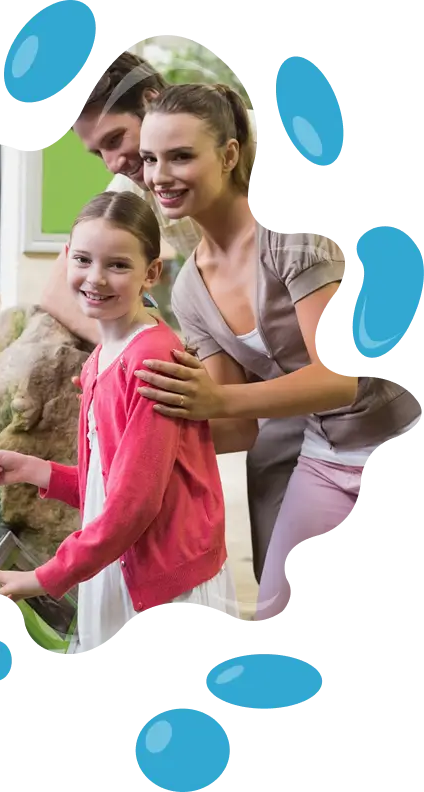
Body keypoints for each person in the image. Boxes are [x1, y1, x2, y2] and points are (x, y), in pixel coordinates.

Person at [134, 82, 423, 620]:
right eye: (150, 159)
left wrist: (214, 402)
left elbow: (341, 378)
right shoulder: (190, 289)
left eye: (180, 156)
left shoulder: (291, 233)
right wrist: (130, 421)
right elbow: (238, 426)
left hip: (397, 428)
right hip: (327, 454)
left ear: (229, 155)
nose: (159, 176)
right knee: (275, 619)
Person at [0, 191, 239, 655]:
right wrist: (32, 469)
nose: (95, 278)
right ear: (66, 258)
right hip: (123, 566)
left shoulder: (150, 363)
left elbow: (133, 506)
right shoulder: (104, 355)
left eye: (118, 265)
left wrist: (43, 578)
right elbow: (109, 483)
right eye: (83, 259)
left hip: (166, 586)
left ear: (151, 273)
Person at [39, 53, 276, 590]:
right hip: (261, 408)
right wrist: (139, 357)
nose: (113, 162)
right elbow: (58, 291)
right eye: (98, 151)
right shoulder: (140, 186)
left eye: (115, 140)